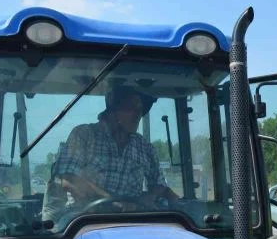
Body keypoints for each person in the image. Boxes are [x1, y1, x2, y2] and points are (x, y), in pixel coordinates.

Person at [43, 85, 178, 222]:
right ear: (112, 108)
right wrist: (111, 202)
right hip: (82, 220)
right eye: (130, 108)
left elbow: (160, 185)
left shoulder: (144, 147)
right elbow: (68, 179)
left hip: (132, 221)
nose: (138, 115)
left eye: (140, 109)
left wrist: (149, 197)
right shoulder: (84, 135)